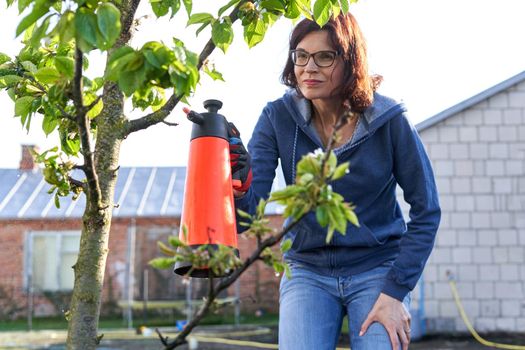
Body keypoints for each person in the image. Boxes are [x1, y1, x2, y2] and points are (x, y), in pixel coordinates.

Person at [229, 12, 440, 350]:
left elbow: (427, 210)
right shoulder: (276, 118)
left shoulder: (390, 121)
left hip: (377, 270)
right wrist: (237, 179)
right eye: (301, 55)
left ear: (350, 60)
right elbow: (249, 212)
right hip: (307, 270)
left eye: (324, 56)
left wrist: (395, 291)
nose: (309, 67)